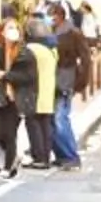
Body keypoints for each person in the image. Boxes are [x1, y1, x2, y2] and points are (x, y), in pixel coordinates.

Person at [18, 21, 61, 169]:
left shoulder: (30, 49)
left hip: (34, 92)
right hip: (48, 92)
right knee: (45, 126)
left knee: (33, 125)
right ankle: (46, 158)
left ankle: (38, 158)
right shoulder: (52, 50)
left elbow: (21, 70)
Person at [0, 22, 25, 174]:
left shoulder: (23, 52)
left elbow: (28, 75)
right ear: (1, 32)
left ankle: (9, 166)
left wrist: (6, 75)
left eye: (15, 28)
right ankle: (14, 157)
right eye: (9, 28)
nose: (12, 31)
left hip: (16, 97)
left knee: (10, 134)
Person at [53, 16, 89, 171]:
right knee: (55, 119)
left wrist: (80, 83)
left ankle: (70, 156)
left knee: (59, 119)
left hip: (65, 81)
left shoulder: (72, 34)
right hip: (54, 81)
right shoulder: (52, 32)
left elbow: (85, 60)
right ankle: (63, 155)